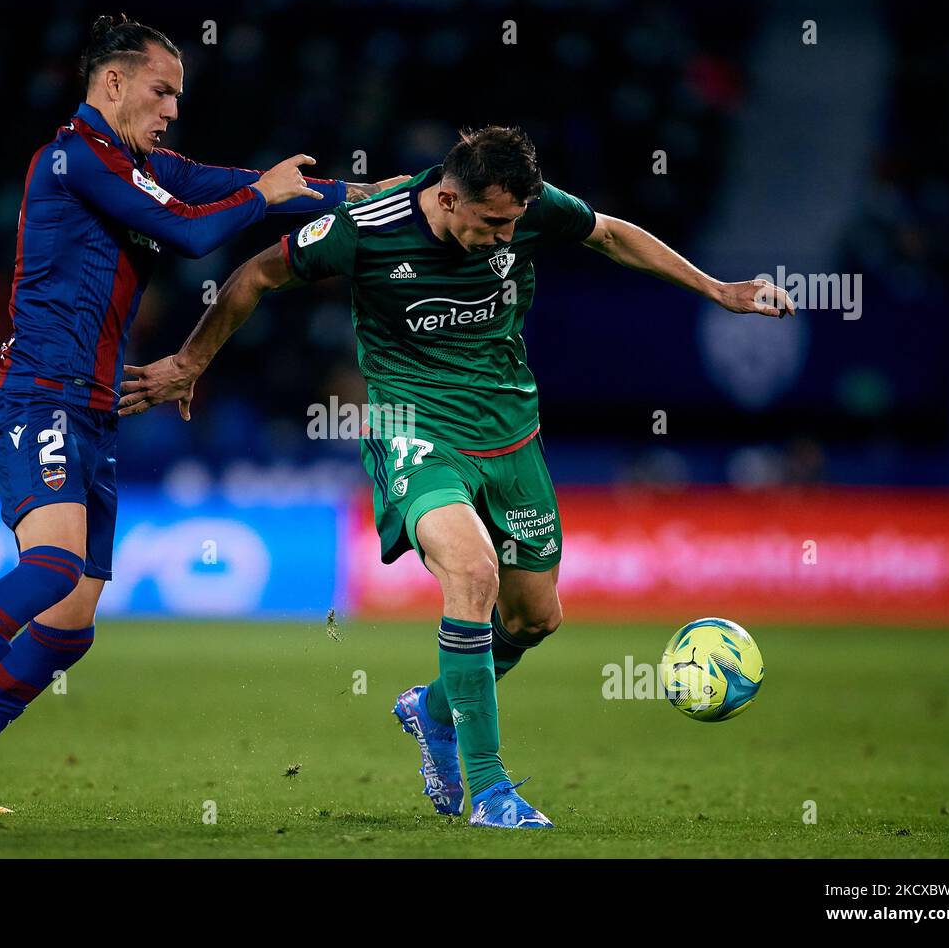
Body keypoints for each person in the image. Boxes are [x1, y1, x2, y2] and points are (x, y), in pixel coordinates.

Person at [117, 125, 793, 828]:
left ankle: (433, 710)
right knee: (473, 575)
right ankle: (492, 791)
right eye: (492, 222)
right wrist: (192, 360)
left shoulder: (530, 210)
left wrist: (717, 289)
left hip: (510, 435)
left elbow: (611, 234)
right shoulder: (367, 227)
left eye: (515, 222)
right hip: (412, 427)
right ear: (447, 196)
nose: (506, 236)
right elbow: (259, 272)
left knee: (535, 616)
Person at [0, 14, 400, 812]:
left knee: (73, 622)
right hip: (36, 396)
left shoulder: (149, 167)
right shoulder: (72, 157)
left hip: (92, 415)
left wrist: (411, 196)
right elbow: (190, 237)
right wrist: (261, 194)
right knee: (49, 569)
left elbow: (282, 196)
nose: (173, 109)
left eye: (179, 96)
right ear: (112, 82)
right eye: (162, 91)